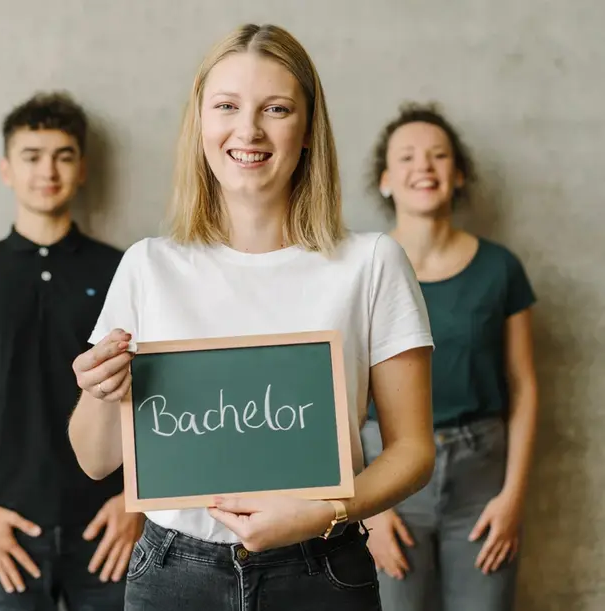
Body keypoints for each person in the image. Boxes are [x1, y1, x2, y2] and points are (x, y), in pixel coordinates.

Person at [67, 24, 436, 611]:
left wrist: (324, 512)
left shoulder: (371, 264)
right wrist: (97, 389)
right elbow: (94, 460)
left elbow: (414, 450)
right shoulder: (149, 266)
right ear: (201, 124)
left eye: (276, 108)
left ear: (309, 127)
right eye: (227, 107)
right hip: (171, 574)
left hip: (321, 569)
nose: (248, 130)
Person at [0, 91, 144, 611]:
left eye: (63, 155)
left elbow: (155, 391)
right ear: (7, 168)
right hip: (6, 533)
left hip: (108, 530)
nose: (48, 170)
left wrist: (136, 501)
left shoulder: (123, 269)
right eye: (32, 156)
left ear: (82, 168)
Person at [360, 102, 539, 611]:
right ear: (386, 179)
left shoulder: (500, 268)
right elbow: (332, 390)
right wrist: (364, 510)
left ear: (458, 175)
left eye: (439, 156)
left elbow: (524, 386)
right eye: (409, 157)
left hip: (482, 478)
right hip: (385, 473)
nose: (425, 166)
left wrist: (513, 498)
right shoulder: (362, 267)